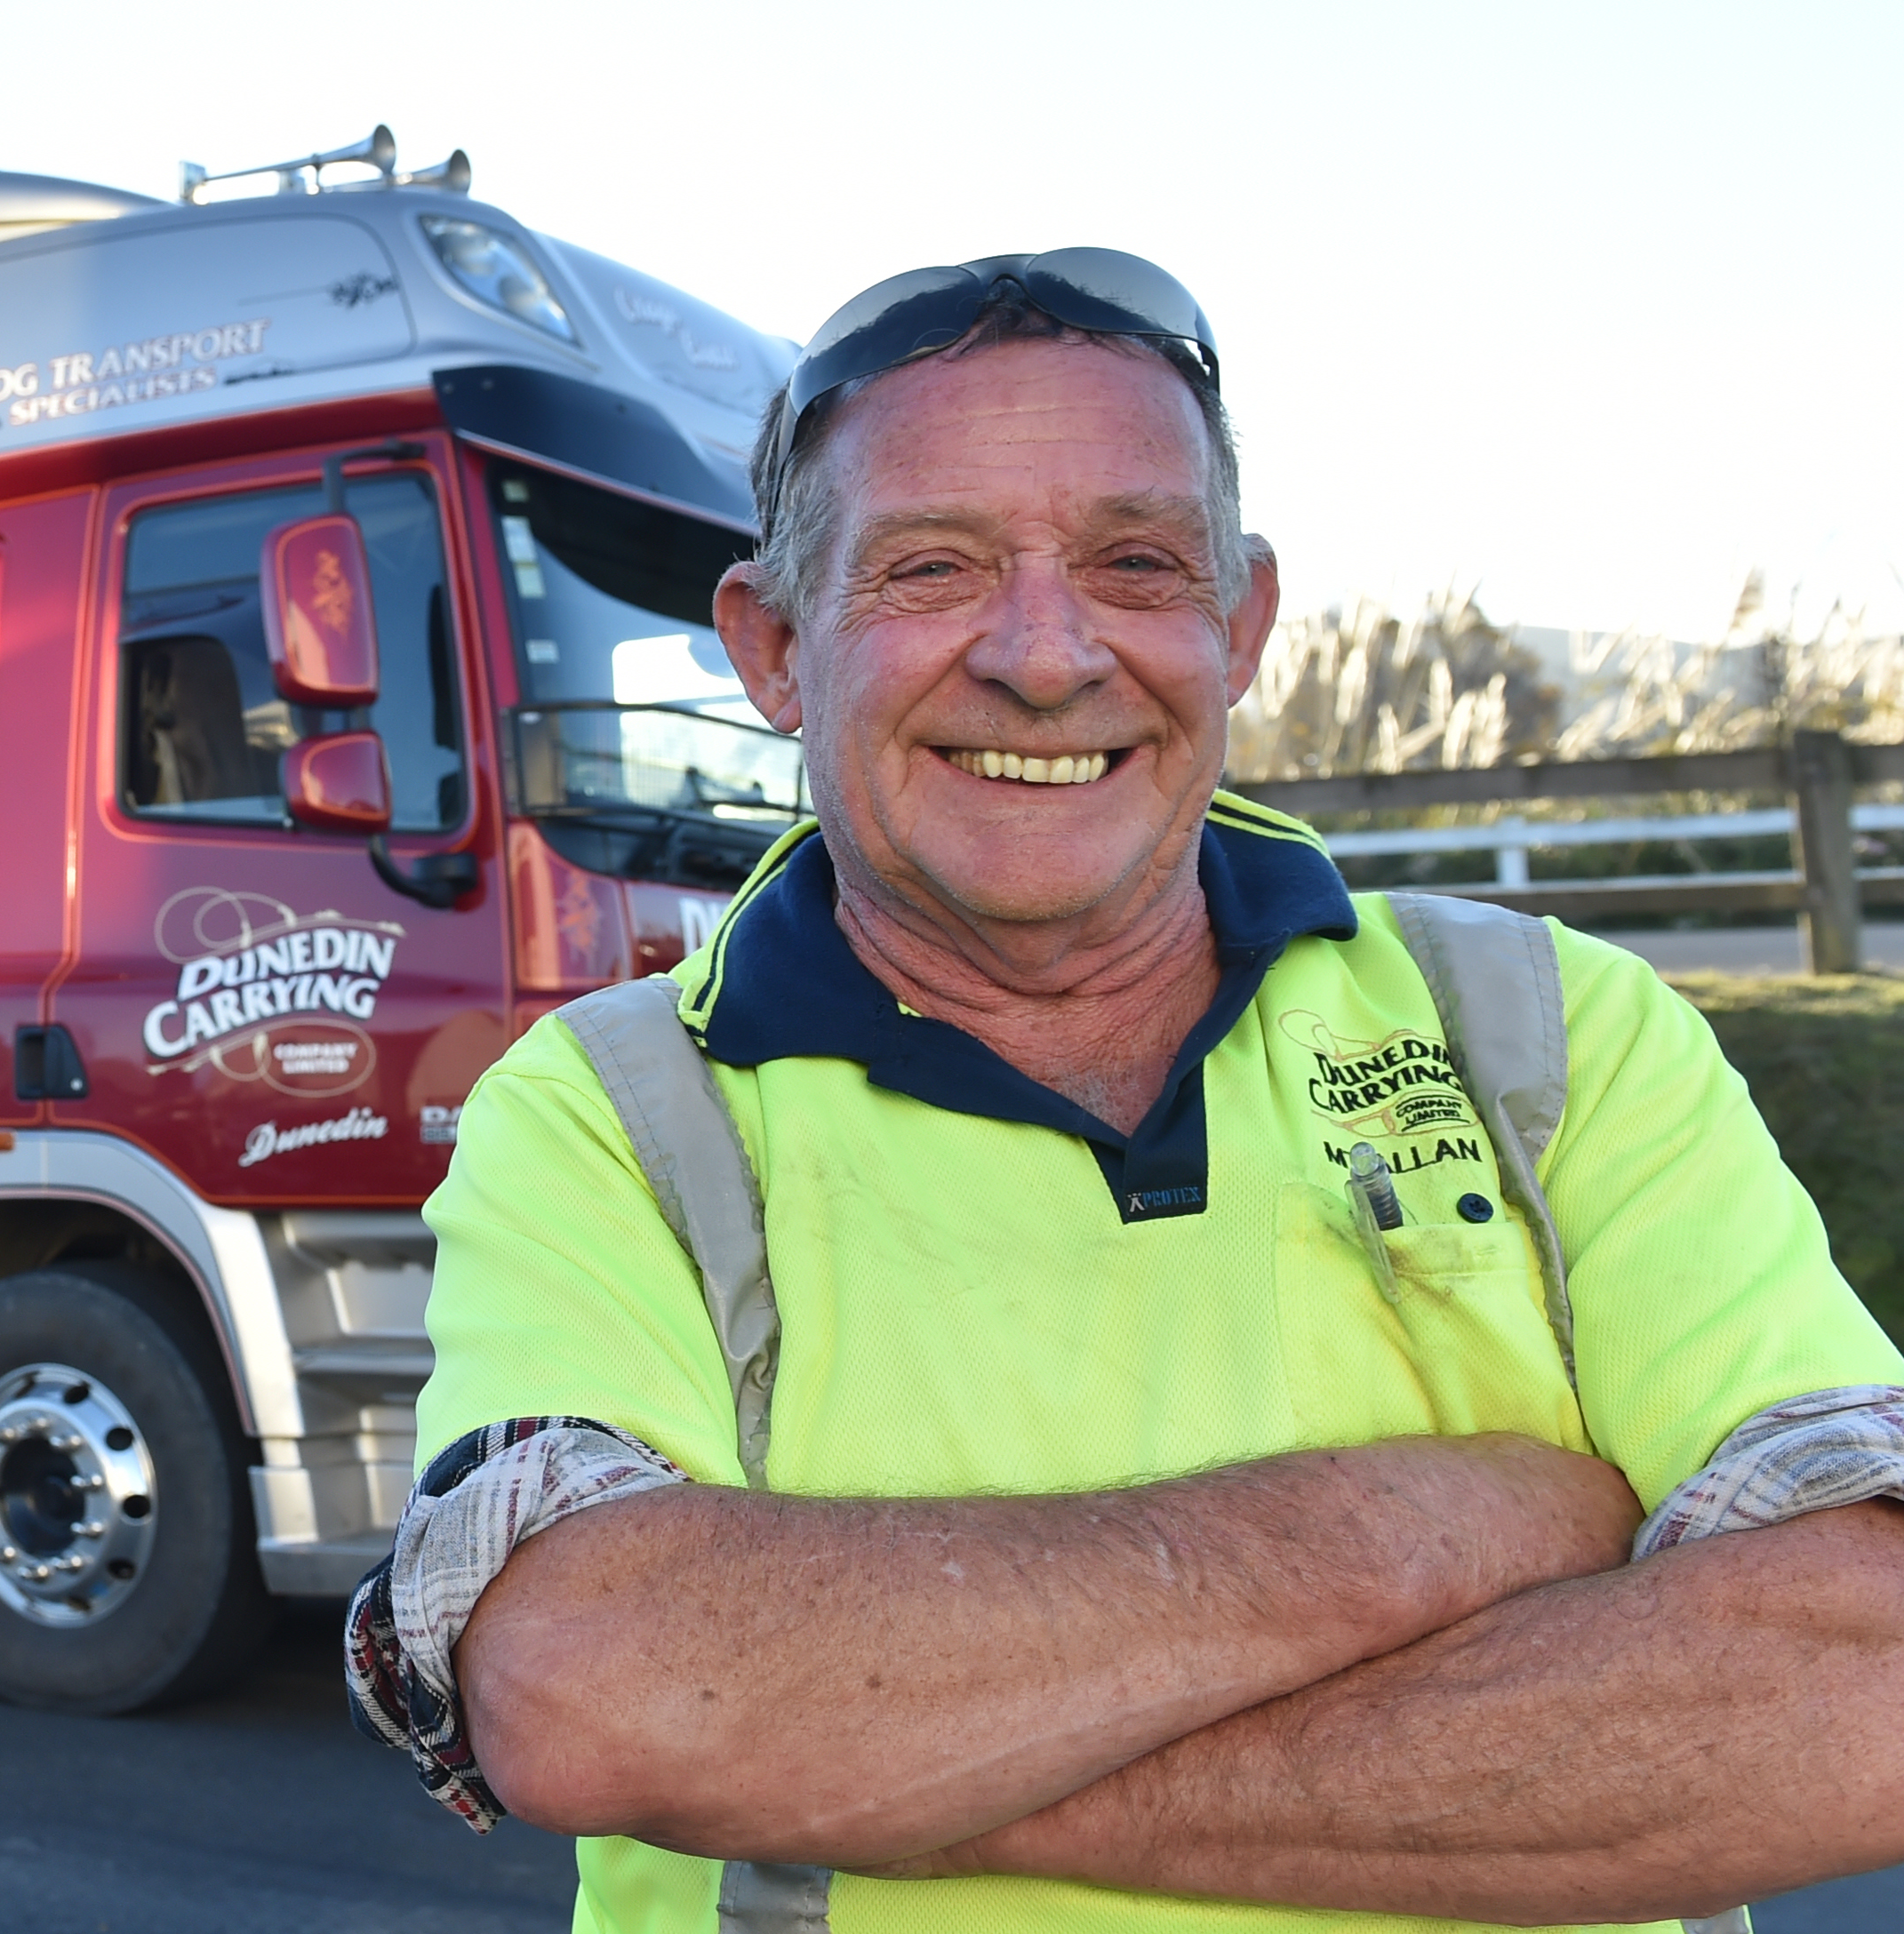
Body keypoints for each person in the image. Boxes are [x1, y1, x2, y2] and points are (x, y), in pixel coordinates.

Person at [348, 250, 1904, 1933]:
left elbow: (1865, 1685)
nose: (1043, 654)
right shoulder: (615, 1118)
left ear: (1238, 625)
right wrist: (1425, 1531)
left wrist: (867, 1753)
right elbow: (598, 1692)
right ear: (776, 648)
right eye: (934, 567)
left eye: (1136, 562)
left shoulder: (1549, 1028)